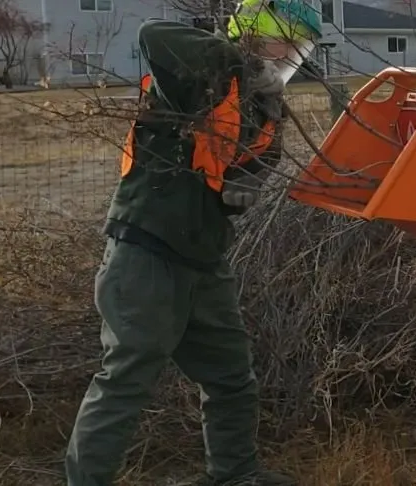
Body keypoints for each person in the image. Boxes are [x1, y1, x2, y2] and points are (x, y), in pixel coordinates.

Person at [63, 1, 321, 485]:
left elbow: (252, 168)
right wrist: (235, 61)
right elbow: (151, 32)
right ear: (254, 31)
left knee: (231, 378)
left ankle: (235, 473)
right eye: (286, 45)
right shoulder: (203, 73)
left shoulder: (267, 110)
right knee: (126, 378)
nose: (291, 59)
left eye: (299, 50)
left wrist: (248, 181)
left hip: (203, 259)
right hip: (145, 251)